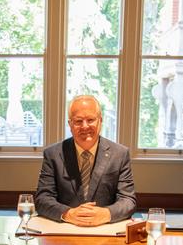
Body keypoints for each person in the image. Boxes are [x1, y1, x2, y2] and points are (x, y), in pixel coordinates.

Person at [36, 95, 136, 226]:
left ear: (100, 121)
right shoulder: (53, 154)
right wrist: (68, 214)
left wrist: (106, 213)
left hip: (105, 230)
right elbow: (42, 199)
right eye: (78, 121)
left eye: (90, 120)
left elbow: (128, 200)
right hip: (66, 230)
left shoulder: (120, 154)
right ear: (70, 124)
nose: (85, 126)